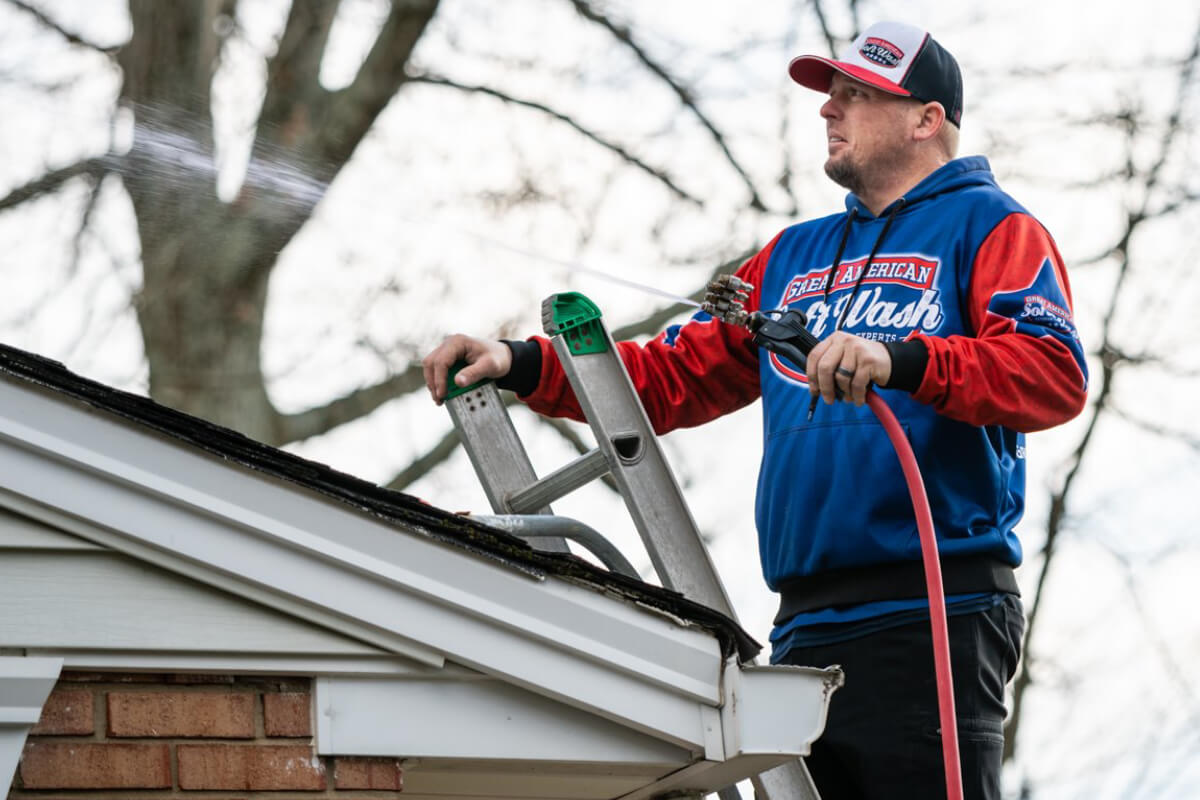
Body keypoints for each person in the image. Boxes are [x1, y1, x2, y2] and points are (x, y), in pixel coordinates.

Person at [423, 20, 1087, 800]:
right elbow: (674, 376)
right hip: (805, 625)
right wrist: (524, 363)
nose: (827, 111)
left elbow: (1051, 374)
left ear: (925, 118)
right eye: (827, 96)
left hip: (935, 609)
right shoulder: (794, 256)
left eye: (853, 95)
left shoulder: (993, 228)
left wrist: (903, 357)